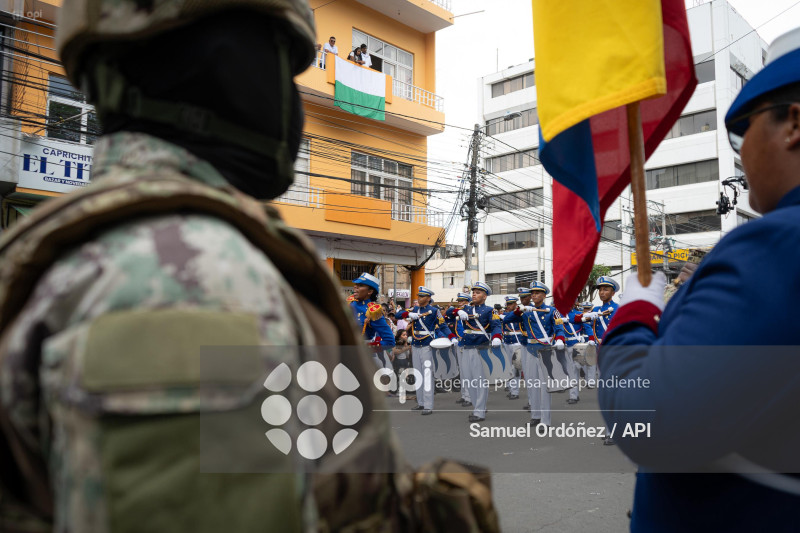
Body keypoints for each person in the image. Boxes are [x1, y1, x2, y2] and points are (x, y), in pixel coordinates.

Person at [0, 2, 464, 531]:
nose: (290, 103)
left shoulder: (94, 249)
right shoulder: (188, 277)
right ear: (217, 65)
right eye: (278, 67)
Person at [598, 27, 800, 532]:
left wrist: (635, 314)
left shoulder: (776, 247)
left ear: (794, 123)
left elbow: (651, 418)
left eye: (742, 130)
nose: (740, 153)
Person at [504, 281, 565, 429]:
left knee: (544, 387)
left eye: (537, 293)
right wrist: (519, 311)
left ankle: (545, 420)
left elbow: (559, 327)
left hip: (545, 350)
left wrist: (560, 339)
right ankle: (535, 416)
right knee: (532, 384)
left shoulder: (551, 311)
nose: (534, 295)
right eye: (533, 293)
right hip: (530, 349)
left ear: (544, 295)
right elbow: (506, 320)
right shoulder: (526, 311)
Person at [396, 287, 456, 415]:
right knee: (418, 374)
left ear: (428, 298)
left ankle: (428, 405)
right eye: (418, 296)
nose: (419, 298)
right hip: (416, 344)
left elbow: (443, 325)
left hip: (427, 345)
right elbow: (397, 315)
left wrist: (452, 337)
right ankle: (421, 402)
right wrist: (408, 314)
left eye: (422, 296)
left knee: (427, 375)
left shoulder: (434, 311)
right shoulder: (415, 309)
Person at [450, 282, 502, 423]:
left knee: (480, 381)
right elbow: (448, 313)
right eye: (473, 292)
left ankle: (479, 411)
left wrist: (497, 337)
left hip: (481, 348)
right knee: (468, 380)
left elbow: (496, 326)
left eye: (478, 292)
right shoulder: (466, 309)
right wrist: (457, 311)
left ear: (485, 296)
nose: (474, 294)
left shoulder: (490, 311)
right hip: (466, 348)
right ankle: (478, 406)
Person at [350, 273, 396, 371]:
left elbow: (390, 341)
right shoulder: (349, 305)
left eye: (360, 285)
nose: (355, 287)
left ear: (370, 291)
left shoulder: (373, 311)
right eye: (356, 285)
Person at [446, 292, 472, 407]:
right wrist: (457, 310)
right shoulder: (457, 312)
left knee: (469, 371)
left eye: (462, 301)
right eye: (459, 301)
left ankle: (470, 396)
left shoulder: (471, 311)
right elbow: (448, 312)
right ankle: (464, 395)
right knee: (462, 370)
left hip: (470, 344)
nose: (460, 303)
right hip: (460, 343)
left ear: (467, 302)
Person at [502, 295, 526, 400]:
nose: (509, 306)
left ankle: (515, 392)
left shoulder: (520, 313)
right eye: (507, 304)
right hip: (507, 342)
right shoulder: (504, 315)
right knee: (509, 367)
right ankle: (512, 388)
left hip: (517, 342)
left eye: (511, 304)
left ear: (516, 304)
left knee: (516, 367)